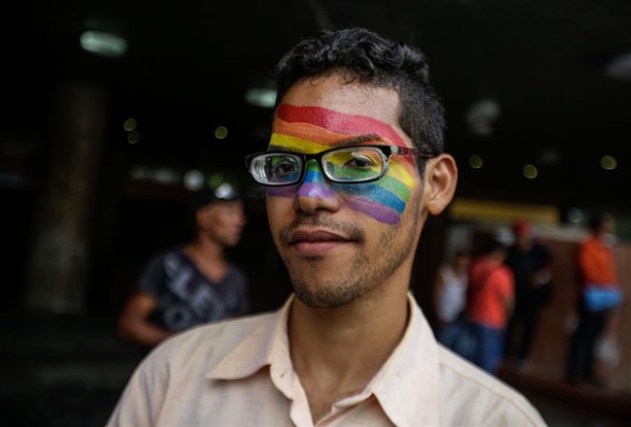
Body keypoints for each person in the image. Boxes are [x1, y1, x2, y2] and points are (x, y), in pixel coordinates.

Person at [107, 27, 546, 426]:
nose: (309, 195)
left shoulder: (495, 420)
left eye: (357, 162)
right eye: (284, 165)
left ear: (435, 184)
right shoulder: (171, 379)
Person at [116, 174, 250, 348]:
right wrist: (186, 346)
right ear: (203, 217)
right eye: (230, 211)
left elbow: (234, 337)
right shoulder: (168, 264)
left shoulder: (236, 279)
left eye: (241, 211)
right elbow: (129, 326)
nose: (240, 220)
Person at [566, 211, 623, 387]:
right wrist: (606, 285)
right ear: (600, 226)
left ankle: (587, 372)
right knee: (583, 334)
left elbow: (609, 273)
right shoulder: (588, 246)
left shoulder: (604, 247)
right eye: (608, 223)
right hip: (591, 297)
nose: (611, 227)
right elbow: (589, 272)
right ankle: (574, 372)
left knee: (594, 336)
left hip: (604, 298)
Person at [504, 219, 553, 371]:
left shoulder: (539, 251)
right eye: (519, 236)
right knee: (511, 327)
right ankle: (506, 355)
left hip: (534, 298)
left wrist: (542, 278)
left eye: (524, 236)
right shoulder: (511, 253)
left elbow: (550, 267)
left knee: (529, 328)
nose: (522, 240)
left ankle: (521, 357)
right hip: (516, 296)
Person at [464, 236, 515, 375]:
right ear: (499, 252)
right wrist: (508, 318)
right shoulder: (503, 273)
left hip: (473, 317)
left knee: (470, 362)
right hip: (493, 322)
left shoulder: (476, 267)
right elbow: (507, 301)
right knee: (488, 366)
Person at [433, 248, 470, 345]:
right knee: (443, 343)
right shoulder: (445, 273)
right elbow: (437, 294)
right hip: (444, 316)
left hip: (458, 317)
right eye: (460, 261)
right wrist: (439, 314)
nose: (462, 264)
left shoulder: (466, 275)